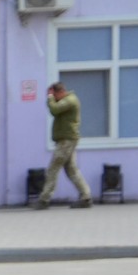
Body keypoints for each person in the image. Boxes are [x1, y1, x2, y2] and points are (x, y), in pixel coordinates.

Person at [39, 81, 93, 209]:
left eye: (55, 95)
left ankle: (44, 199)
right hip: (67, 139)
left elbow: (54, 109)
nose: (54, 99)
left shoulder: (70, 100)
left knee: (53, 168)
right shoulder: (68, 100)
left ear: (60, 92)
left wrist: (50, 98)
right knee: (71, 170)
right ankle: (86, 197)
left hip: (67, 140)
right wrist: (52, 98)